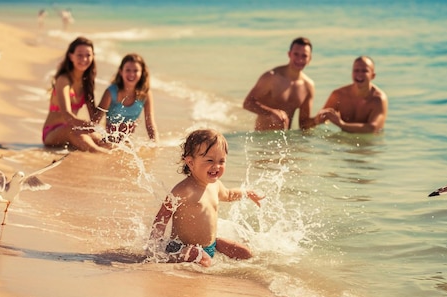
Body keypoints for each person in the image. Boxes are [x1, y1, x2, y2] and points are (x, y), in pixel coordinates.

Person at [148, 129, 264, 267]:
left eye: (222, 161)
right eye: (210, 160)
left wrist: (246, 193)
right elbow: (162, 216)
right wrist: (154, 249)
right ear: (190, 162)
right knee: (204, 260)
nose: (216, 166)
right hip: (184, 247)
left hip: (210, 245)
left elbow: (228, 194)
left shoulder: (215, 185)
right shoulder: (184, 190)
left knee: (245, 253)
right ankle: (172, 258)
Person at [41, 37, 111, 153]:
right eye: (79, 55)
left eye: (88, 55)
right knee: (78, 134)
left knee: (102, 140)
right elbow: (67, 115)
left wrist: (110, 95)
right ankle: (102, 155)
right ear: (71, 56)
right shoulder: (63, 80)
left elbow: (94, 118)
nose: (84, 59)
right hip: (52, 133)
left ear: (93, 56)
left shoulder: (86, 81)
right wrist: (89, 126)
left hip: (75, 129)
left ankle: (112, 156)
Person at [243, 37, 315, 131]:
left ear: (309, 59)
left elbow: (303, 125)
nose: (299, 59)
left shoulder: (308, 86)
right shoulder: (271, 77)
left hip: (285, 141)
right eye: (296, 54)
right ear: (289, 54)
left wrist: (319, 120)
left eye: (304, 56)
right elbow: (247, 103)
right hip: (261, 140)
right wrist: (271, 113)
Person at [307, 56, 388, 133]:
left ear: (373, 75)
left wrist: (342, 124)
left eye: (364, 71)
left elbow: (372, 128)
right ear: (352, 73)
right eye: (356, 70)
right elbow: (319, 120)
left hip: (370, 145)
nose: (359, 74)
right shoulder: (339, 95)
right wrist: (318, 120)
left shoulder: (378, 99)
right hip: (343, 143)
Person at [95, 53, 159, 144]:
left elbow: (150, 125)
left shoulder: (145, 94)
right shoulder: (111, 92)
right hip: (110, 140)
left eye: (136, 70)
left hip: (128, 141)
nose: (131, 74)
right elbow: (96, 119)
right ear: (121, 71)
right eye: (128, 70)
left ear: (142, 73)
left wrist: (155, 145)